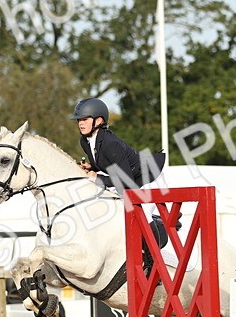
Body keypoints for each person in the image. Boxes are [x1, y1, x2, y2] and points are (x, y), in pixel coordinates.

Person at [71, 97, 168, 245]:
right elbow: (107, 163)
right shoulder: (84, 141)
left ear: (99, 121)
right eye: (79, 120)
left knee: (142, 214)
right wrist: (92, 167)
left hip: (149, 176)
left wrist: (98, 178)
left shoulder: (111, 143)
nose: (80, 123)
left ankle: (153, 255)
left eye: (84, 119)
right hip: (130, 179)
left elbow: (125, 178)